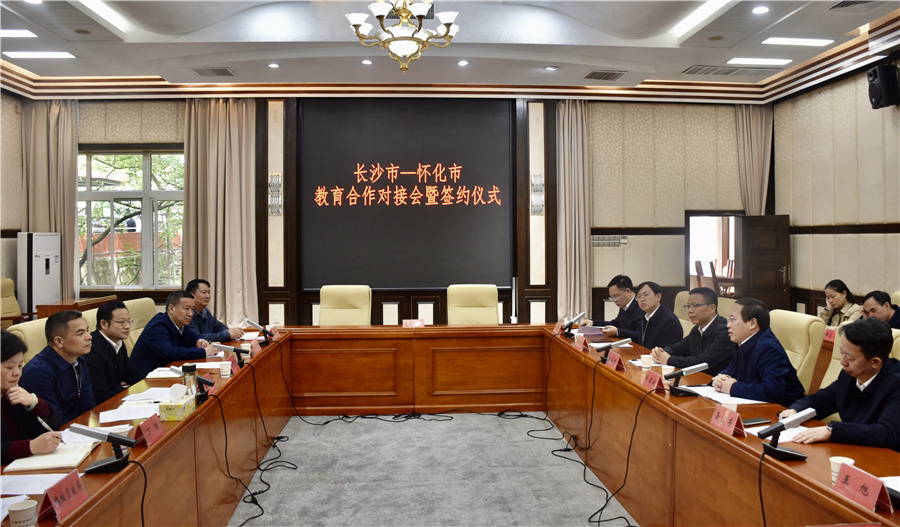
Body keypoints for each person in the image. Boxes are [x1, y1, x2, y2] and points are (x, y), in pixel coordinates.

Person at [782, 318, 900, 452]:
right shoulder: (850, 374)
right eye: (841, 353)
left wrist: (833, 430)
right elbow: (820, 400)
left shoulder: (896, 384)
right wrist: (795, 411)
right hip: (852, 451)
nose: (842, 362)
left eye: (850, 358)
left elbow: (887, 433)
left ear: (875, 362)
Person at [711, 298, 805, 407]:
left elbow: (772, 391)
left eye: (732, 319)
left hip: (785, 410)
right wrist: (720, 379)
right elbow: (732, 369)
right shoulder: (743, 342)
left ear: (752, 323)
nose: (728, 325)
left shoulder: (769, 348)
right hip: (756, 405)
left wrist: (732, 387)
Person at [19, 311, 96, 423]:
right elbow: (54, 421)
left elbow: (88, 405)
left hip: (77, 427)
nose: (89, 337)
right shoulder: (38, 372)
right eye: (80, 333)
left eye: (87, 331)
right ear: (59, 341)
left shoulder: (79, 360)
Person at [2, 330, 63, 464]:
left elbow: (54, 424)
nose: (17, 373)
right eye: (10, 367)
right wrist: (30, 446)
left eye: (20, 365)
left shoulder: (14, 391)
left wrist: (34, 403)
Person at [650, 287, 733, 376]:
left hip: (716, 381)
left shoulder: (725, 331)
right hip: (697, 377)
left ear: (712, 308)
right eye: (688, 306)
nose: (690, 311)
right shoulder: (697, 329)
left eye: (695, 306)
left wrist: (669, 360)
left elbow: (704, 362)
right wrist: (661, 352)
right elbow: (678, 347)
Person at [130, 290, 215, 377]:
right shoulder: (157, 326)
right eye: (186, 308)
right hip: (145, 379)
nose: (190, 314)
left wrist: (200, 340)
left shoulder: (180, 323)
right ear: (171, 308)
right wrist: (204, 352)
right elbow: (171, 352)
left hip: (166, 373)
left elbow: (194, 337)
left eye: (192, 309)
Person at [85, 300, 143, 405]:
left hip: (116, 398)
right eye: (121, 322)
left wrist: (148, 389)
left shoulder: (119, 342)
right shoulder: (92, 350)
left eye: (129, 321)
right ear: (103, 324)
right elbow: (101, 394)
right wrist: (132, 399)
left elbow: (131, 374)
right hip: (102, 406)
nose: (127, 326)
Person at [582, 275, 642, 341]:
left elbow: (640, 335)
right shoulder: (625, 306)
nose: (614, 301)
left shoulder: (641, 307)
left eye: (616, 297)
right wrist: (593, 322)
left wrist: (617, 332)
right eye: (612, 298)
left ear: (628, 291)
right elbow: (615, 324)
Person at [632, 281, 682, 349]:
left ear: (658, 297)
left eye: (646, 295)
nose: (642, 299)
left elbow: (664, 351)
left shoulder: (669, 321)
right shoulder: (644, 317)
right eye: (639, 296)